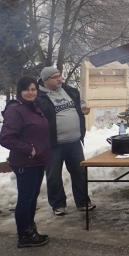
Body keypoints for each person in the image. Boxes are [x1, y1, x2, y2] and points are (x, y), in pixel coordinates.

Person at [0, 76, 52, 248]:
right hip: (25, 162)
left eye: (33, 89)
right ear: (19, 92)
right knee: (25, 199)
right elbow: (6, 139)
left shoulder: (34, 107)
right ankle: (24, 234)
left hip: (37, 161)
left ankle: (30, 230)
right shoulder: (15, 110)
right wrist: (29, 149)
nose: (30, 93)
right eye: (27, 90)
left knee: (32, 198)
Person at [36, 67, 94, 216]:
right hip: (53, 144)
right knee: (54, 175)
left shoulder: (69, 90)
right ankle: (58, 205)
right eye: (55, 77)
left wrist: (83, 107)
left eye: (59, 76)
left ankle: (83, 202)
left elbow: (80, 101)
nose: (59, 79)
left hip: (74, 142)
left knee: (80, 173)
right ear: (45, 80)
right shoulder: (38, 97)